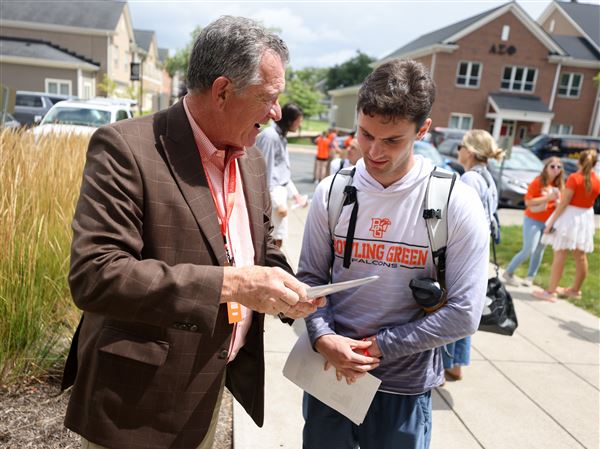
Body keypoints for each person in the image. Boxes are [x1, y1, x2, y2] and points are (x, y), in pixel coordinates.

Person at [61, 16, 324, 449]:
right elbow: (97, 275)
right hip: (136, 404)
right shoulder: (126, 148)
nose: (277, 112)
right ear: (222, 91)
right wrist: (233, 284)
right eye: (268, 98)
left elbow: (257, 247)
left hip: (208, 387)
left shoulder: (251, 158)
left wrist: (288, 289)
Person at [298, 59, 489, 449]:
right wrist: (322, 338)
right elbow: (311, 280)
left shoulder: (455, 201)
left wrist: (379, 348)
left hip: (403, 389)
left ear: (423, 130)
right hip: (329, 376)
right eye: (365, 134)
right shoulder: (333, 192)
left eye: (392, 140)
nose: (373, 151)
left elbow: (465, 313)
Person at [442, 129, 504, 381]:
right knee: (465, 306)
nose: (458, 150)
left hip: (463, 250)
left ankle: (446, 364)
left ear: (469, 150)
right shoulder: (488, 178)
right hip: (479, 250)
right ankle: (456, 365)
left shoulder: (469, 179)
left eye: (461, 145)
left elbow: (460, 218)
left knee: (450, 307)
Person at [533, 149, 600, 302]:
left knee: (560, 253)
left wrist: (550, 223)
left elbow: (565, 202)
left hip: (570, 217)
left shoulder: (575, 178)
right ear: (595, 164)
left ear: (579, 161)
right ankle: (575, 289)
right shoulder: (597, 180)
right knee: (580, 255)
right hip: (586, 217)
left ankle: (550, 292)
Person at [503, 157, 564, 287]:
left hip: (548, 223)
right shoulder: (538, 182)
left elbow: (561, 205)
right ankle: (509, 272)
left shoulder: (559, 186)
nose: (555, 170)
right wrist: (547, 198)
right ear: (546, 168)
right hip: (533, 220)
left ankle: (530, 276)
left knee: (539, 250)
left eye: (559, 167)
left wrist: (558, 202)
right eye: (552, 166)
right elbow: (528, 202)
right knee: (529, 249)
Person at [255, 103, 307, 248]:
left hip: (279, 192)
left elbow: (282, 170)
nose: (300, 124)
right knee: (273, 239)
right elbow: (265, 170)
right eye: (298, 120)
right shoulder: (270, 136)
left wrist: (295, 195)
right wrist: (277, 203)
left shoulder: (280, 136)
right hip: (272, 195)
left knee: (279, 238)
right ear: (290, 120)